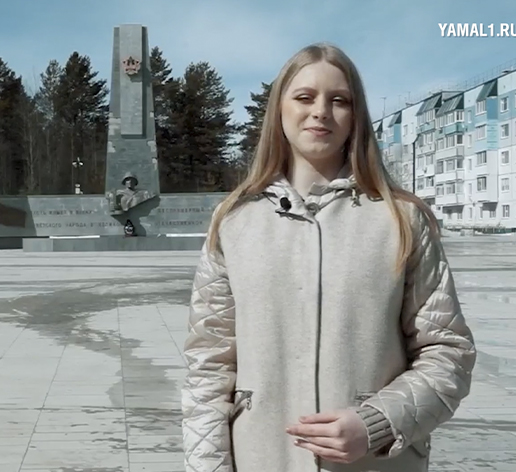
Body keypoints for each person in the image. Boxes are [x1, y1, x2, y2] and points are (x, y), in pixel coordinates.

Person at [181, 43, 476, 472]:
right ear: (279, 111)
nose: (321, 111)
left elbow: (448, 353)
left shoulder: (401, 219)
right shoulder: (233, 222)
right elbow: (208, 365)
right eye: (304, 97)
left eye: (339, 100)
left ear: (355, 116)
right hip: (262, 458)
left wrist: (376, 422)